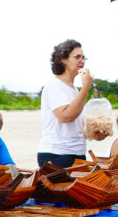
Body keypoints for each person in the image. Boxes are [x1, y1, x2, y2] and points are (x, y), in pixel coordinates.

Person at [38, 39, 106, 168]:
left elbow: (76, 128)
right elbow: (66, 116)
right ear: (63, 59)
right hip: (57, 153)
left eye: (83, 57)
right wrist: (86, 87)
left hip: (77, 153)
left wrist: (94, 134)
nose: (82, 61)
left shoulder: (74, 90)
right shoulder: (54, 85)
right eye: (77, 57)